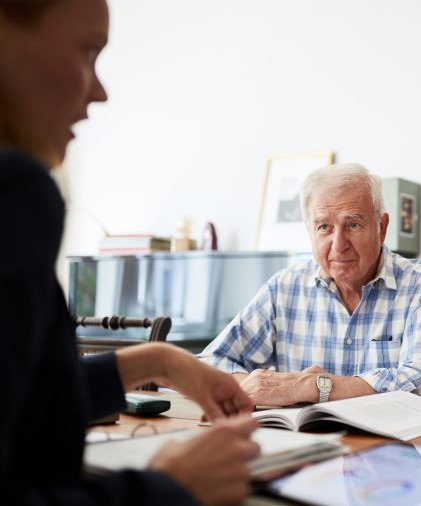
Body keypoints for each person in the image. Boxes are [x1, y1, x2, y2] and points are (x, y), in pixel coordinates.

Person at [0, 0, 261, 504]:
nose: (99, 91)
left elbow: (29, 406)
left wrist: (159, 361)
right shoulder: (16, 190)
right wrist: (167, 488)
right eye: (89, 50)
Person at [200, 163, 421, 406]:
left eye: (353, 225)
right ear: (310, 232)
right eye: (324, 227)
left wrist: (312, 387)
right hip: (302, 445)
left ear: (382, 227)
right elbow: (212, 362)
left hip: (394, 446)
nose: (338, 244)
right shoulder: (284, 288)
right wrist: (257, 387)